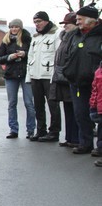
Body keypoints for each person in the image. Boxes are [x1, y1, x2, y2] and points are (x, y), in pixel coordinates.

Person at [61, 4, 102, 155]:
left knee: (99, 115)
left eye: (80, 19)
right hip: (77, 81)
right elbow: (66, 54)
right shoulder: (74, 35)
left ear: (91, 20)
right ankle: (85, 143)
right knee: (80, 112)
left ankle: (101, 147)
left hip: (97, 82)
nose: (77, 22)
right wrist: (67, 70)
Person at [0, 19, 35, 139]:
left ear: (20, 28)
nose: (14, 29)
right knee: (12, 103)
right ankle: (13, 129)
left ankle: (31, 129)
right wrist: (9, 57)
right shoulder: (5, 40)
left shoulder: (27, 38)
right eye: (12, 27)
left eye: (16, 27)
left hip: (25, 74)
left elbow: (34, 54)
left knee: (29, 103)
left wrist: (25, 54)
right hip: (11, 75)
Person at [26, 11, 61, 142]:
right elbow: (30, 56)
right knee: (38, 105)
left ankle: (54, 131)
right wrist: (29, 76)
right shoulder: (35, 37)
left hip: (49, 75)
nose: (37, 24)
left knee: (53, 105)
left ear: (46, 21)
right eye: (35, 22)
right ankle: (41, 130)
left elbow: (58, 55)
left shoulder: (56, 34)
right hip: (36, 75)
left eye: (39, 21)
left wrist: (55, 75)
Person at [49, 12, 79, 148]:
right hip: (62, 78)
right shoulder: (65, 38)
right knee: (68, 108)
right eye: (64, 24)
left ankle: (76, 138)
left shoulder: (75, 38)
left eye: (68, 23)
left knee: (75, 109)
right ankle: (69, 137)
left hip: (70, 78)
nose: (65, 26)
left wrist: (66, 72)